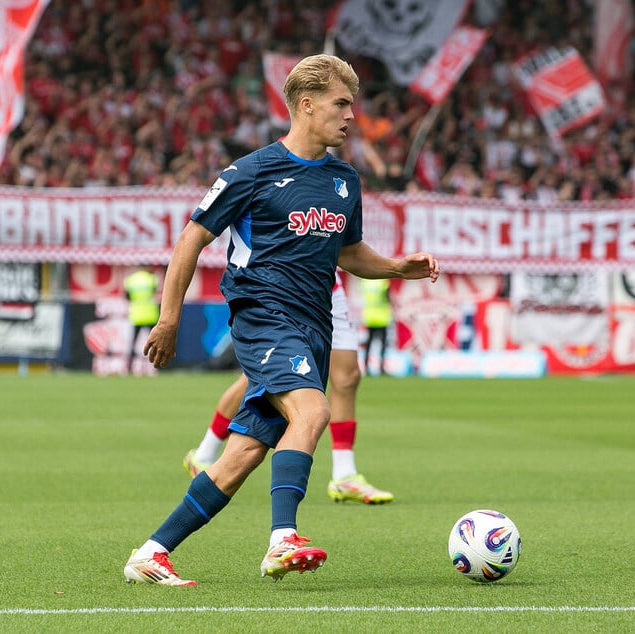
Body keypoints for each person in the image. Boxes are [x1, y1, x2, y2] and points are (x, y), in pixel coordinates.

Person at [122, 54, 439, 587]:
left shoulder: (344, 180)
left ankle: (151, 552)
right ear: (306, 105)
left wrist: (395, 268)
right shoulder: (251, 172)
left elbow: (348, 252)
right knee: (313, 411)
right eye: (341, 104)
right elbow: (192, 237)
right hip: (264, 317)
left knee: (242, 454)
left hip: (314, 327)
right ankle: (282, 538)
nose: (351, 116)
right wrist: (168, 318)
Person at [184, 271, 394, 504]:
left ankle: (344, 474)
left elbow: (348, 253)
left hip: (328, 288)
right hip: (287, 287)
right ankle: (204, 453)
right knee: (264, 376)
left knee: (348, 377)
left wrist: (393, 267)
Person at [123, 267, 159, 374]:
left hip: (137, 315)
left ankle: (129, 367)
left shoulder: (130, 280)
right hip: (150, 314)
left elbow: (127, 297)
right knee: (155, 343)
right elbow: (155, 291)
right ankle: (157, 366)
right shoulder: (152, 279)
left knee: (133, 343)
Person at [360, 277, 392, 375]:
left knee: (369, 343)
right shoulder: (383, 282)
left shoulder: (365, 282)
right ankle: (381, 367)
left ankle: (366, 366)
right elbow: (388, 297)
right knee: (383, 343)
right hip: (382, 317)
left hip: (369, 316)